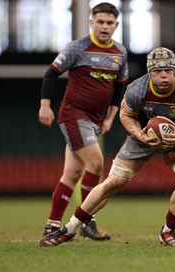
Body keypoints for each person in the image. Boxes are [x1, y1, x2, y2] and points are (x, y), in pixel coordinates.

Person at [39, 47, 175, 247]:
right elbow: (125, 115)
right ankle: (69, 229)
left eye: (168, 70)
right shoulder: (137, 89)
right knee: (112, 183)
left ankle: (168, 232)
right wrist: (138, 134)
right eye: (158, 71)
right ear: (149, 72)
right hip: (141, 137)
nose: (163, 75)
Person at [38, 2, 128, 241]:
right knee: (97, 164)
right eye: (100, 21)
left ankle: (51, 225)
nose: (105, 26)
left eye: (109, 23)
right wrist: (45, 105)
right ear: (91, 22)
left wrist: (110, 117)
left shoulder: (120, 52)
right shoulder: (77, 48)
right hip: (73, 115)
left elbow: (120, 87)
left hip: (95, 120)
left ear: (116, 25)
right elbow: (51, 73)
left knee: (72, 174)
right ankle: (87, 221)